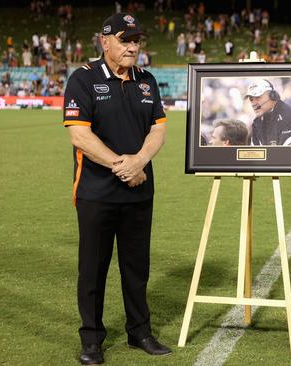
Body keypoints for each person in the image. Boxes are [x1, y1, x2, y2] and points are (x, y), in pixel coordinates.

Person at [62, 13, 171, 365]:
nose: (132, 47)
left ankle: (139, 332)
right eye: (125, 40)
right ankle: (91, 339)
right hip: (96, 191)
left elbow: (158, 130)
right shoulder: (83, 79)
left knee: (137, 267)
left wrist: (139, 161)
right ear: (104, 41)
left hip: (140, 190)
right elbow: (80, 135)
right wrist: (123, 166)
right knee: (93, 268)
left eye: (136, 41)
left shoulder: (147, 80)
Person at [245, 79, 291, 146]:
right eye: (251, 99)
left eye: (258, 97)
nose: (253, 104)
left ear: (272, 96)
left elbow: (288, 154)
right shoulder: (257, 122)